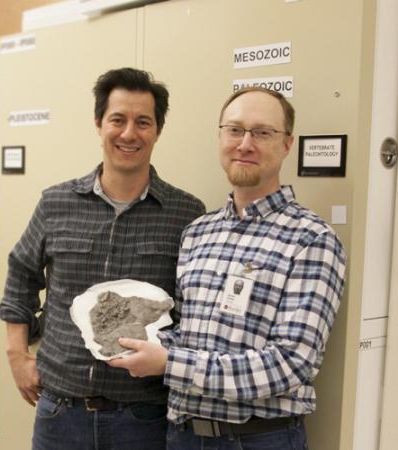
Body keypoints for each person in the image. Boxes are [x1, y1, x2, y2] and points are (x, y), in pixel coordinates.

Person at [109, 86, 346, 450]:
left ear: (286, 144)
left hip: (258, 439)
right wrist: (132, 337)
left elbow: (290, 363)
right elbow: (185, 332)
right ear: (221, 137)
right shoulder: (198, 232)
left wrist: (169, 362)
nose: (245, 143)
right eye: (234, 130)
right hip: (183, 436)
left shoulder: (311, 240)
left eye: (262, 132)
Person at [0, 67, 205, 450]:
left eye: (143, 122)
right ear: (98, 123)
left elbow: (197, 309)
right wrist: (16, 354)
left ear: (158, 130)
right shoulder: (56, 203)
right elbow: (22, 275)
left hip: (144, 417)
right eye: (118, 120)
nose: (129, 133)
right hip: (61, 413)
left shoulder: (185, 213)